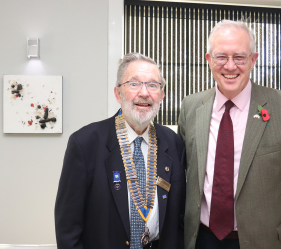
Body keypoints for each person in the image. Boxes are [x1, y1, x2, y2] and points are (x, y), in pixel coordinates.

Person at [178, 20, 281, 249]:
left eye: (239, 57)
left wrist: (267, 219)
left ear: (253, 60)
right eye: (221, 57)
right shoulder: (190, 107)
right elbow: (185, 173)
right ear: (209, 60)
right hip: (201, 240)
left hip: (263, 240)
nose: (230, 66)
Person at [55, 53, 185, 249]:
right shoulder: (85, 143)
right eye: (134, 84)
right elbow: (67, 229)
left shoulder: (173, 142)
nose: (144, 93)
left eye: (152, 85)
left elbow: (179, 218)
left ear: (162, 95)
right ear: (118, 93)